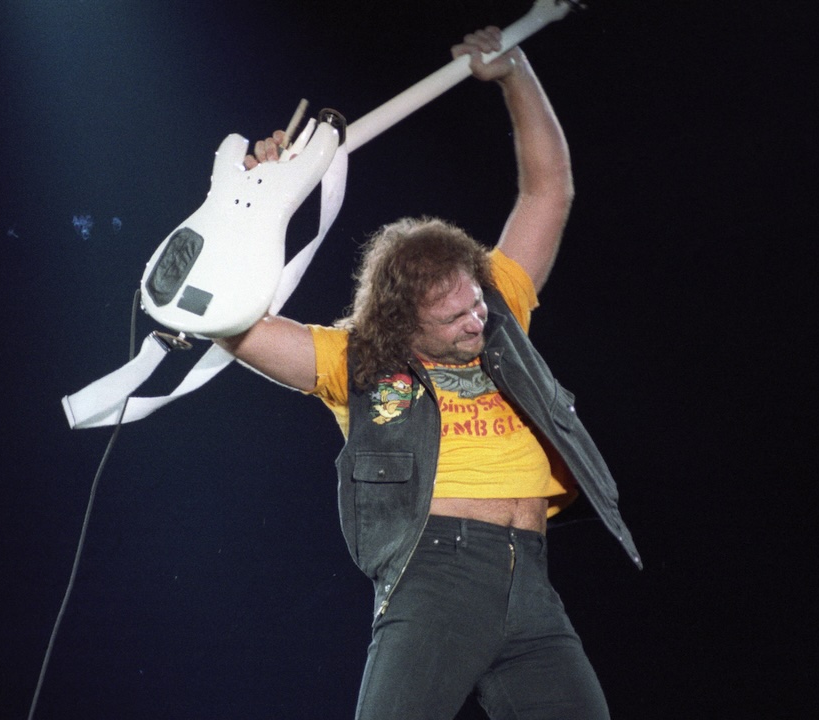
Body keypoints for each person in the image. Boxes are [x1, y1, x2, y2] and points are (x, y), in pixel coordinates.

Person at [217, 26, 641, 720]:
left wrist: (516, 74)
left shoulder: (498, 309)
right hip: (436, 578)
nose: (475, 322)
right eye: (453, 319)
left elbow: (547, 192)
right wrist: (254, 201)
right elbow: (231, 321)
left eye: (475, 304)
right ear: (403, 324)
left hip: (532, 584)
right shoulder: (356, 360)